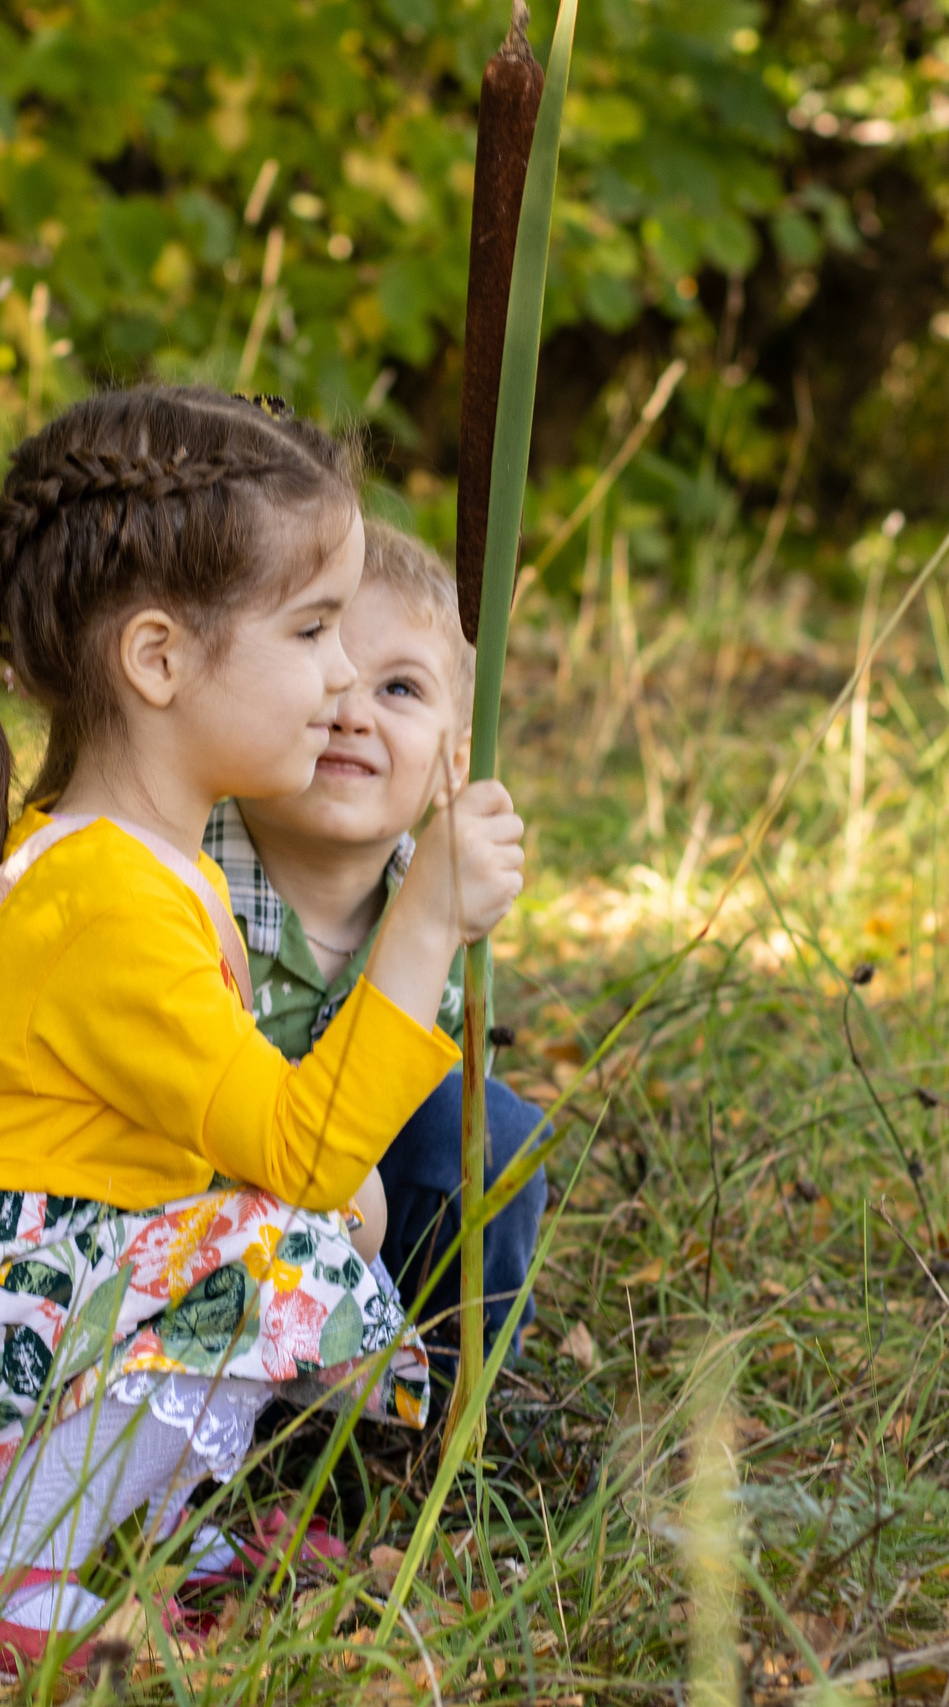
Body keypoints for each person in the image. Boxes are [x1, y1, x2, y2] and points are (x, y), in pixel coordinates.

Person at [0, 388, 526, 1678]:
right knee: (290, 1256)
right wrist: (422, 926)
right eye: (311, 630)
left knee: (301, 1233)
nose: (343, 677)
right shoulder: (112, 900)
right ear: (160, 661)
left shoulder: (128, 863)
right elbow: (297, 1151)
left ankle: (96, 1540)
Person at [203, 520, 550, 1365]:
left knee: (489, 1135)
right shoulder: (188, 869)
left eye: (399, 689)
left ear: (452, 765)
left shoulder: (439, 898)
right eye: (326, 670)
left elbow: (428, 1128)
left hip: (364, 1244)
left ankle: (450, 1395)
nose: (352, 710)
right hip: (198, 1236)